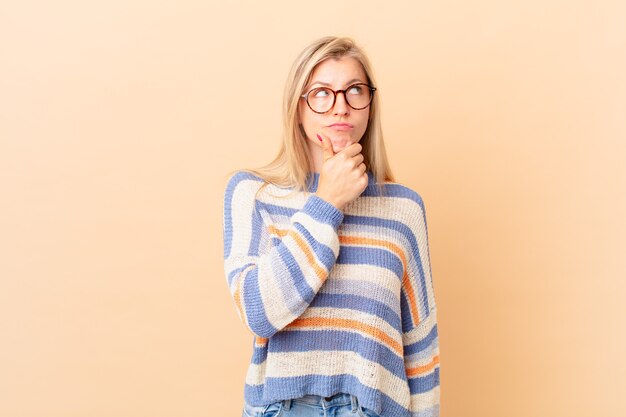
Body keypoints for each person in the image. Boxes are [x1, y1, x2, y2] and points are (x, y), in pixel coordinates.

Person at [222, 36, 440, 417]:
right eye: (322, 93)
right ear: (298, 107)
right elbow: (259, 312)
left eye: (354, 90)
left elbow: (421, 345)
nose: (340, 106)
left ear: (370, 105)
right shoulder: (253, 194)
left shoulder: (403, 208)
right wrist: (326, 202)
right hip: (282, 408)